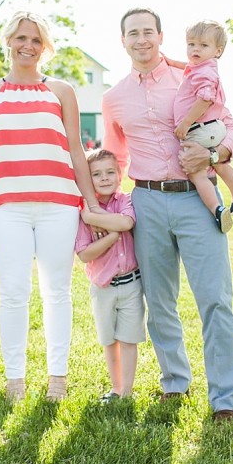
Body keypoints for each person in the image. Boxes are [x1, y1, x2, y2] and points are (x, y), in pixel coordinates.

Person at [101, 7, 233, 424]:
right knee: (159, 301)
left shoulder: (193, 77)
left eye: (148, 32)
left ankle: (224, 399)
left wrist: (215, 153)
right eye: (133, 33)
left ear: (161, 37)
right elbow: (114, 157)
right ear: (123, 41)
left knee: (215, 300)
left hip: (196, 201)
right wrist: (100, 204)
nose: (141, 39)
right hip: (145, 202)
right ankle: (175, 383)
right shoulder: (113, 99)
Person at [0, 10, 102, 402]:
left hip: (59, 204)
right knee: (12, 292)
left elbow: (77, 150)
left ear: (45, 47)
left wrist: (90, 203)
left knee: (56, 291)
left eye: (36, 40)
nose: (28, 46)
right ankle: (15, 381)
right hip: (6, 206)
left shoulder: (61, 91)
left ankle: (57, 378)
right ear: (8, 41)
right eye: (22, 38)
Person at [74, 149, 145, 403]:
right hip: (102, 286)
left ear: (119, 174)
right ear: (86, 179)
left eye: (110, 172)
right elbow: (84, 254)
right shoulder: (80, 212)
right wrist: (112, 235)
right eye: (96, 174)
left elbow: (127, 223)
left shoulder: (125, 200)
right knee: (109, 339)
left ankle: (126, 390)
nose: (104, 178)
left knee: (128, 339)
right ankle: (115, 388)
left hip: (131, 283)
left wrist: (95, 219)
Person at [172, 19, 233, 233]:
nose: (195, 49)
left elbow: (205, 97)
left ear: (218, 51)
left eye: (203, 45)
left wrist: (186, 122)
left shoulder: (203, 73)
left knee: (196, 173)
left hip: (199, 129)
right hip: (213, 128)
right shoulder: (205, 67)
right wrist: (170, 62)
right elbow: (189, 68)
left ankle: (217, 210)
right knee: (219, 164)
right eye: (191, 44)